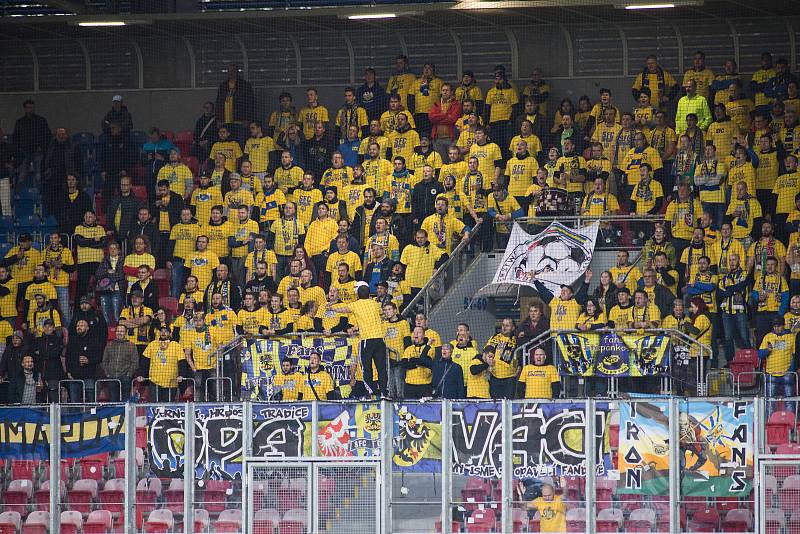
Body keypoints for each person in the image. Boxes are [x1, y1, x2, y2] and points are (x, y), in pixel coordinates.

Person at [326, 282, 388, 397]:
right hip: (380, 340)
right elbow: (382, 314)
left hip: (367, 340)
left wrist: (331, 307)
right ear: (369, 293)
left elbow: (343, 309)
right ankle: (384, 391)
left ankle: (372, 392)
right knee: (381, 368)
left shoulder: (356, 304)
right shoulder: (375, 304)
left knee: (366, 368)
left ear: (358, 294)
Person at [139, 326, 189, 402]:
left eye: (166, 331)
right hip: (154, 382)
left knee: (168, 406)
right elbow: (144, 361)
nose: (163, 333)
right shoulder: (152, 344)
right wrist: (141, 375)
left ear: (170, 333)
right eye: (161, 331)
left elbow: (182, 361)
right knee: (154, 406)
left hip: (171, 382)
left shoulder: (176, 345)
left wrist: (181, 375)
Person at [759, 316, 798, 412]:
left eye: (779, 326)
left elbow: (795, 355)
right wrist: (767, 351)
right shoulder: (768, 336)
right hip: (771, 373)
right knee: (770, 401)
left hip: (787, 373)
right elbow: (760, 354)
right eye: (775, 326)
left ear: (784, 326)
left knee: (789, 400)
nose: (777, 328)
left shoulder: (791, 337)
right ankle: (770, 423)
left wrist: (791, 370)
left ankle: (791, 423)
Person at [12, 99, 51, 183]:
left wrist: (42, 147)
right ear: (25, 109)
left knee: (38, 175)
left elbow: (47, 135)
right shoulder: (20, 122)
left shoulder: (41, 120)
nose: (30, 109)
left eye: (31, 107)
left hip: (38, 151)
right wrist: (19, 150)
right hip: (24, 152)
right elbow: (15, 137)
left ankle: (39, 193)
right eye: (28, 107)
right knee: (22, 174)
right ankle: (20, 193)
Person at [64, 319, 101, 402]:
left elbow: (99, 357)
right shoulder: (72, 341)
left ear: (87, 328)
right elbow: (68, 358)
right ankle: (76, 415)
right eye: (77, 326)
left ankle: (92, 415)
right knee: (74, 403)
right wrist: (68, 372)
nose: (79, 327)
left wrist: (89, 361)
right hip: (74, 377)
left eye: (81, 325)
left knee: (92, 403)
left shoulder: (94, 341)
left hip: (89, 376)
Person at [100, 324, 139, 401]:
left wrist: (129, 375)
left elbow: (135, 362)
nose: (119, 333)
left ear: (125, 333)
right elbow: (104, 361)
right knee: (113, 401)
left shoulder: (131, 345)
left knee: (125, 402)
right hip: (112, 377)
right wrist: (108, 374)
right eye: (118, 331)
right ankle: (115, 413)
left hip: (125, 378)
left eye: (121, 331)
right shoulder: (109, 345)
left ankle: (124, 413)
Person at [215, 63, 255, 131]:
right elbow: (219, 103)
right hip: (225, 121)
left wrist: (247, 119)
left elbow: (250, 103)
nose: (231, 73)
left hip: (239, 121)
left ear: (237, 72)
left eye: (233, 71)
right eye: (229, 71)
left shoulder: (244, 85)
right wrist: (218, 119)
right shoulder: (223, 86)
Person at [32, 319, 64, 403]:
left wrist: (41, 354)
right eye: (45, 326)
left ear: (53, 328)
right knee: (39, 400)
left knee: (54, 400)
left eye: (49, 326)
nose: (47, 328)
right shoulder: (38, 340)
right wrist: (46, 354)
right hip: (39, 375)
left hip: (53, 375)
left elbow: (55, 353)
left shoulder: (58, 340)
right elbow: (34, 355)